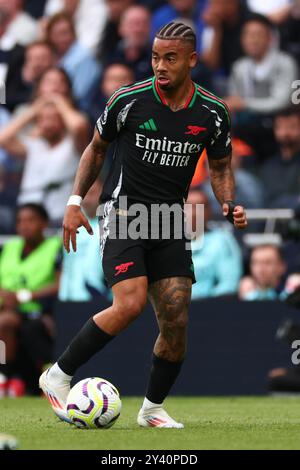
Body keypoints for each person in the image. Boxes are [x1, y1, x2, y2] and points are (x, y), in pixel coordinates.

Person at [40, 21, 247, 428]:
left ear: (192, 60)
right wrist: (74, 202)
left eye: (170, 58)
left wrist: (228, 204)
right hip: (124, 215)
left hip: (170, 221)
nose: (160, 65)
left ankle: (151, 410)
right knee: (130, 303)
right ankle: (58, 375)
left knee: (176, 320)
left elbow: (221, 165)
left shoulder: (212, 112)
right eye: (155, 57)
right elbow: (95, 149)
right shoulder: (128, 100)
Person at [0, 203, 62, 396]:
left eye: (30, 220)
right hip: (7, 307)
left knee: (8, 323)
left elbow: (60, 283)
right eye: (20, 221)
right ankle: (7, 378)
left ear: (44, 223)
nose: (24, 226)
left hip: (40, 311)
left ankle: (8, 377)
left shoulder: (55, 247)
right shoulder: (9, 247)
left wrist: (25, 296)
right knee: (5, 321)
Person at [0, 97, 88, 225]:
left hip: (60, 217)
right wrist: (35, 110)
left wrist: (59, 103)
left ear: (63, 120)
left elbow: (78, 126)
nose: (47, 124)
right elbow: (3, 139)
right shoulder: (33, 145)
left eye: (53, 118)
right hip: (28, 215)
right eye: (42, 119)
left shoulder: (72, 145)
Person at [59, 178, 110, 302]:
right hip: (69, 300)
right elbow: (66, 265)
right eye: (84, 195)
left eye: (92, 193)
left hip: (102, 299)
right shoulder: (69, 225)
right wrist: (62, 295)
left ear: (103, 193)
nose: (86, 199)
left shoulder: (114, 224)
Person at [186, 189, 242, 299]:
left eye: (199, 207)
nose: (193, 213)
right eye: (188, 207)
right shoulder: (168, 242)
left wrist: (205, 302)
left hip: (211, 308)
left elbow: (229, 283)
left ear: (209, 211)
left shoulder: (222, 240)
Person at [259, 107, 300, 208]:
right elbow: (268, 201)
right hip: (275, 221)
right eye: (281, 127)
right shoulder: (268, 166)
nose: (286, 132)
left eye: (292, 127)